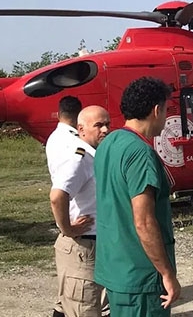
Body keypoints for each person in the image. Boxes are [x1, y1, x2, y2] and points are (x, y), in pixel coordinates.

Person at [94, 77, 180, 317]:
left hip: (115, 266)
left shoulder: (108, 143)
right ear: (156, 110)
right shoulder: (140, 152)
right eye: (166, 109)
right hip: (140, 274)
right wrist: (166, 273)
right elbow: (143, 221)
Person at [49, 105, 111, 317]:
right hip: (82, 246)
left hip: (94, 243)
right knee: (83, 307)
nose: (105, 130)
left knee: (70, 304)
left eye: (107, 124)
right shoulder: (80, 158)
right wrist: (68, 228)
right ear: (81, 129)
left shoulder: (94, 155)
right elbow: (57, 196)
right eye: (98, 125)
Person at [45, 95, 82, 317]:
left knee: (69, 281)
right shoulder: (76, 142)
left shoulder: (53, 138)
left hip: (65, 210)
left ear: (58, 114)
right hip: (77, 211)